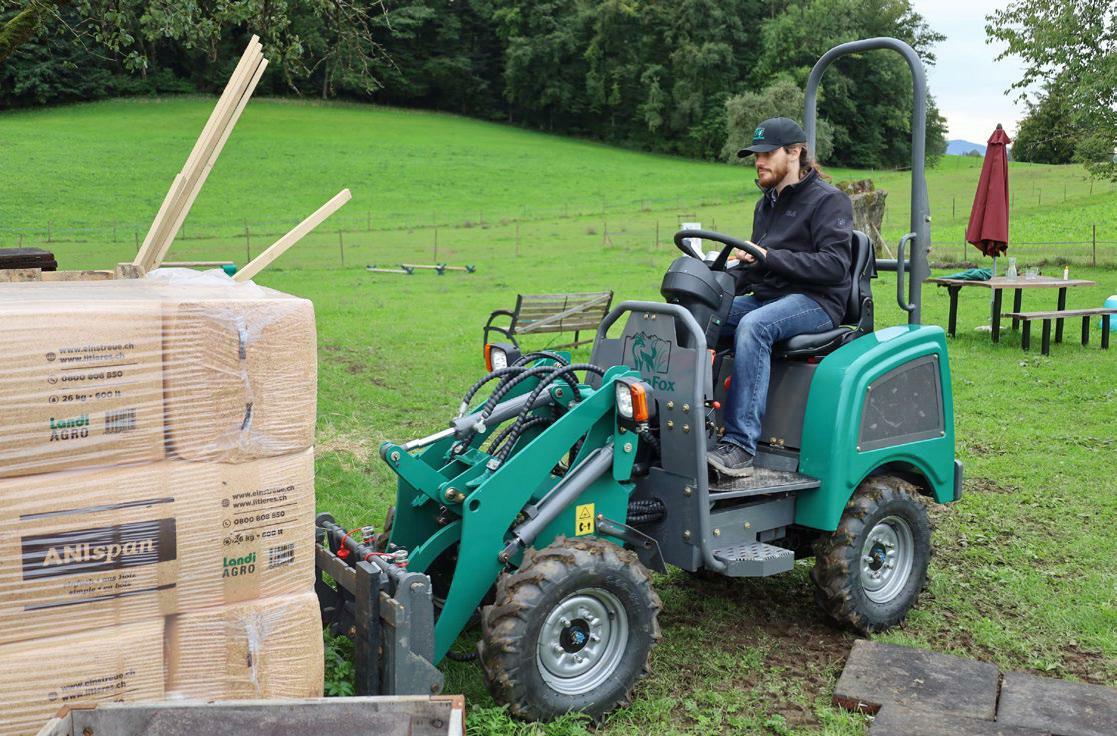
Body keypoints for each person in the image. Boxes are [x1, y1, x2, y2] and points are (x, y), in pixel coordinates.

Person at [706, 116, 853, 478]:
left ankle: (740, 446)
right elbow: (757, 266)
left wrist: (769, 257)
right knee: (701, 315)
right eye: (755, 155)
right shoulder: (766, 203)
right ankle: (689, 425)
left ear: (795, 153)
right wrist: (716, 284)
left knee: (755, 326)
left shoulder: (829, 202)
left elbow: (835, 267)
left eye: (767, 153)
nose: (759, 162)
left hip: (817, 302)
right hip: (770, 297)